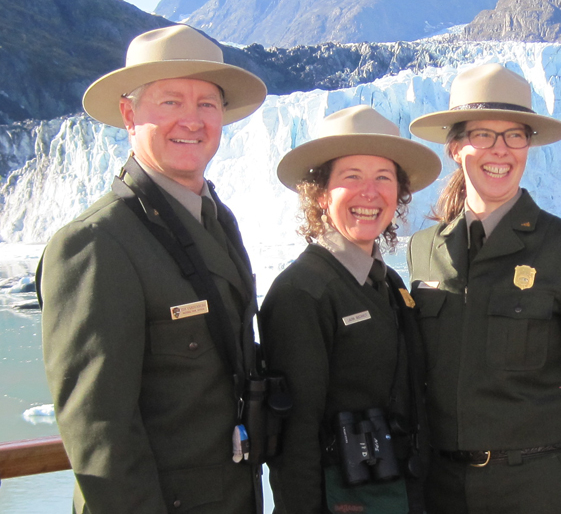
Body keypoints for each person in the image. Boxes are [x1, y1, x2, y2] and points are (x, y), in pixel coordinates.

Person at [38, 25, 268, 513]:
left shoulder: (217, 222)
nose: (192, 119)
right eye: (170, 102)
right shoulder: (95, 244)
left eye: (207, 103)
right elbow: (102, 437)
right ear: (128, 113)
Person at [406, 63, 561, 514]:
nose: (500, 150)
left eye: (515, 136)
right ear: (454, 147)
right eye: (482, 135)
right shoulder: (424, 250)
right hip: (444, 493)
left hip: (540, 491)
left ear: (529, 146)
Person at [259, 105, 441, 513]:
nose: (369, 193)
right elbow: (295, 437)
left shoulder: (390, 285)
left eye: (383, 178)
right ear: (321, 194)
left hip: (398, 496)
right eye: (351, 178)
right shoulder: (302, 293)